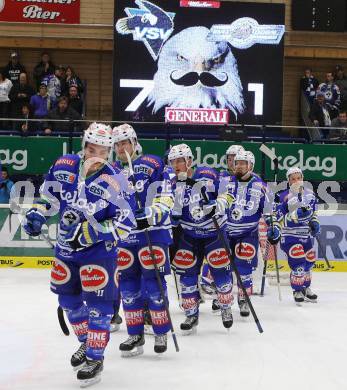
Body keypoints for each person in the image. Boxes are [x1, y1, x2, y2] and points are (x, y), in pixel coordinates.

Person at [23, 123, 136, 387]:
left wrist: (92, 233)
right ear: (84, 147)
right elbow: (48, 197)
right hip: (66, 251)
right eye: (92, 149)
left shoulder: (117, 179)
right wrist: (38, 213)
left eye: (104, 151)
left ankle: (96, 357)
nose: (98, 156)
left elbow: (125, 222)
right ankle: (87, 343)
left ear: (109, 152)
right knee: (68, 302)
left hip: (99, 253)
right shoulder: (64, 165)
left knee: (99, 308)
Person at [113, 123, 174, 356]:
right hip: (126, 237)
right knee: (128, 287)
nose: (121, 147)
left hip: (153, 233)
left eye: (125, 142)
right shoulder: (111, 172)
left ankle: (160, 331)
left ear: (135, 142)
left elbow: (167, 196)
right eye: (117, 144)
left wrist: (151, 214)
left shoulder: (155, 162)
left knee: (154, 285)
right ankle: (134, 334)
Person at [169, 143, 234, 333]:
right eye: (173, 161)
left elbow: (228, 195)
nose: (176, 165)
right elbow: (172, 212)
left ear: (189, 160)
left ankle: (226, 307)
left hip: (214, 233)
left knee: (221, 274)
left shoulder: (208, 173)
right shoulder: (173, 184)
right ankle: (191, 314)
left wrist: (218, 204)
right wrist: (172, 218)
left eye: (180, 160)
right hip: (189, 236)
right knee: (186, 276)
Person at [223, 150, 280, 316]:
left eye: (243, 163)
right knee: (222, 269)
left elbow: (269, 212)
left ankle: (243, 298)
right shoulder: (225, 182)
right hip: (225, 233)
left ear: (251, 166)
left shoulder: (261, 186)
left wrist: (273, 227)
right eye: (237, 163)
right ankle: (222, 299)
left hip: (247, 233)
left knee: (244, 270)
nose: (239, 166)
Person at [276, 167, 320, 304]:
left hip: (305, 235)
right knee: (298, 259)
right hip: (289, 235)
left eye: (298, 178)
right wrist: (293, 216)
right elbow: (277, 218)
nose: (296, 181)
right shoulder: (283, 196)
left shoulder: (310, 194)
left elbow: (314, 213)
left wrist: (314, 222)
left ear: (302, 178)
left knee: (309, 260)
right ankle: (297, 289)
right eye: (293, 179)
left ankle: (306, 287)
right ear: (288, 181)